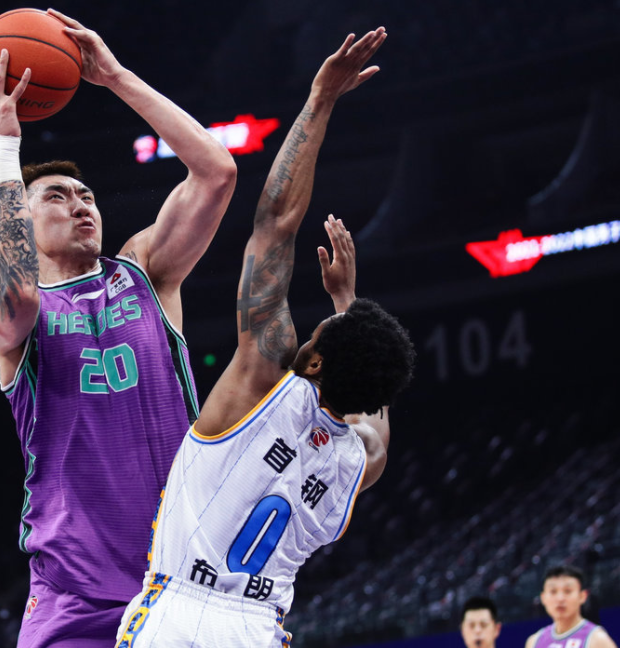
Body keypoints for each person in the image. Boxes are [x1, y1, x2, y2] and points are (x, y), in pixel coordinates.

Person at [114, 27, 414, 647]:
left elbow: (275, 222)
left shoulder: (262, 379)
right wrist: (347, 307)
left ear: (315, 358)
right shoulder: (360, 459)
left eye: (321, 331)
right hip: (258, 628)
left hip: (176, 615)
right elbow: (376, 417)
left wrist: (319, 101)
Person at [0, 8, 238, 646]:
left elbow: (217, 172)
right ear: (20, 219)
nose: (80, 205)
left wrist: (115, 77)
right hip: (74, 590)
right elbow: (17, 296)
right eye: (56, 197)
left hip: (182, 575)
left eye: (85, 195)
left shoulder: (146, 272)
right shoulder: (7, 310)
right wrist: (5, 146)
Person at [524, 565, 617, 648]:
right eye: (553, 591)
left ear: (582, 596)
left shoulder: (597, 639)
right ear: (543, 598)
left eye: (568, 591)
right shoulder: (534, 641)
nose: (560, 598)